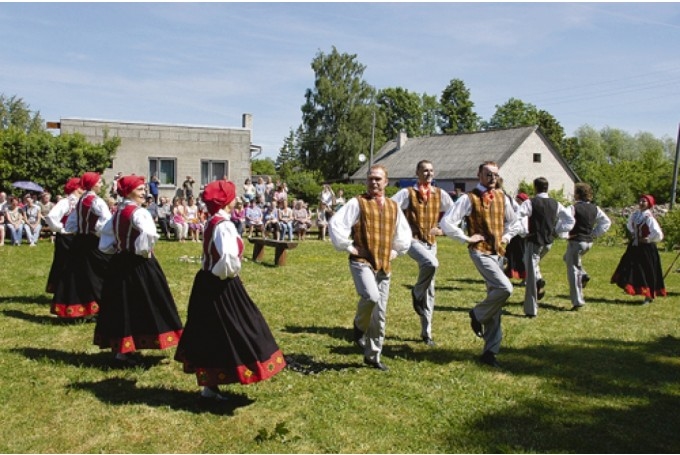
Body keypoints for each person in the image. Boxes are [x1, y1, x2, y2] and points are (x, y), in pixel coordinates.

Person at [174, 179, 286, 401]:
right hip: (220, 284)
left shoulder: (213, 222)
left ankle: (211, 385)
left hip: (206, 282)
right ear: (227, 201)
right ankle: (227, 375)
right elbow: (227, 258)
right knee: (240, 327)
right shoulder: (223, 225)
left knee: (212, 332)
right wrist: (230, 276)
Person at [330, 164, 411, 371]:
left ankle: (373, 356)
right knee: (371, 297)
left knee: (380, 313)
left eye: (378, 179)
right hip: (362, 262)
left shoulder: (393, 207)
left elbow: (403, 235)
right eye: (370, 178)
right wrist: (349, 246)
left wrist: (395, 251)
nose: (374, 182)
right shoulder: (357, 203)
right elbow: (337, 224)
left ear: (386, 181)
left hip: (384, 264)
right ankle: (359, 326)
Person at [95, 175, 184, 367]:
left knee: (122, 305)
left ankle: (122, 351)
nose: (144, 192)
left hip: (119, 263)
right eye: (140, 189)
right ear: (128, 192)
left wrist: (117, 249)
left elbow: (106, 238)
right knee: (147, 302)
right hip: (139, 264)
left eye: (144, 189)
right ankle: (133, 346)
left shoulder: (118, 213)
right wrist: (141, 251)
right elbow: (150, 234)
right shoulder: (139, 213)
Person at [440, 161, 520, 368]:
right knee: (505, 288)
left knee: (496, 301)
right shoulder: (469, 198)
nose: (492, 178)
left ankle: (490, 351)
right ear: (479, 175)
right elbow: (447, 222)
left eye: (495, 174)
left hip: (498, 252)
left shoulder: (503, 197)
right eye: (488, 174)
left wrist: (507, 237)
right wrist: (465, 239)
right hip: (480, 252)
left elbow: (515, 222)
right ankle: (477, 314)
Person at [391, 160, 454, 346]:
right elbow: (390, 208)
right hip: (413, 240)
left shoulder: (439, 194)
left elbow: (454, 213)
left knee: (431, 288)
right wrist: (401, 229)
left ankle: (427, 332)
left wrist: (442, 229)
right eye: (425, 171)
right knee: (431, 264)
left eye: (431, 171)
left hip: (431, 242)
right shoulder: (407, 193)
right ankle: (416, 291)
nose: (428, 174)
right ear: (417, 173)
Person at [51, 172, 112, 320]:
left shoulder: (81, 200)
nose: (101, 185)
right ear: (92, 184)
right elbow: (106, 222)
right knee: (100, 274)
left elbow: (72, 221)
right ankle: (101, 308)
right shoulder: (96, 201)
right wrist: (99, 233)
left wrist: (70, 231)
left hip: (80, 241)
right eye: (99, 182)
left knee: (80, 274)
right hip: (92, 242)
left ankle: (82, 308)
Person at [517, 177, 575, 318]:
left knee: (529, 271)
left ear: (535, 187)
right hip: (548, 242)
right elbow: (570, 219)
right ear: (547, 188)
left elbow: (518, 217)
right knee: (530, 263)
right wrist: (557, 230)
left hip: (534, 240)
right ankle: (538, 279)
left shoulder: (530, 202)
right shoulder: (555, 204)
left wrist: (523, 232)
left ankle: (531, 309)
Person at [611, 194, 666, 304]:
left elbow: (659, 234)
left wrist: (648, 239)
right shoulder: (635, 215)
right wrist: (634, 234)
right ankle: (631, 287)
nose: (641, 203)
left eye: (644, 201)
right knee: (629, 266)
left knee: (646, 270)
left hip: (646, 249)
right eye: (640, 201)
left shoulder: (649, 218)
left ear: (649, 204)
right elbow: (629, 226)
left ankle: (649, 296)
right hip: (635, 246)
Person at [564, 183, 611, 310]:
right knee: (567, 258)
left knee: (573, 271)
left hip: (576, 241)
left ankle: (577, 301)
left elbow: (563, 220)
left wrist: (563, 234)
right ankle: (583, 274)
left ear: (578, 194)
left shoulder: (573, 208)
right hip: (588, 242)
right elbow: (606, 222)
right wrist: (594, 234)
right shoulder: (595, 208)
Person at [45, 177, 83, 293]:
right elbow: (51, 217)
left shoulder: (80, 201)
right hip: (66, 238)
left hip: (76, 237)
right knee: (63, 263)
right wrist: (61, 229)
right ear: (76, 188)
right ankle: (60, 289)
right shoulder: (65, 202)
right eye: (82, 187)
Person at [504, 192, 529, 283]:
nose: (517, 202)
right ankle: (508, 274)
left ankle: (525, 278)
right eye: (516, 200)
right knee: (509, 255)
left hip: (521, 237)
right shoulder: (516, 211)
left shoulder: (524, 212)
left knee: (521, 258)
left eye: (518, 200)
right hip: (514, 237)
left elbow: (524, 226)